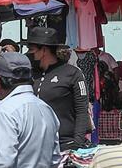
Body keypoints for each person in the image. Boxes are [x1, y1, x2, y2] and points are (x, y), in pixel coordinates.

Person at [26, 21, 92, 151]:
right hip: (34, 146)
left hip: (64, 145)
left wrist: (77, 143)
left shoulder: (73, 74)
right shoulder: (29, 74)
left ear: (44, 50)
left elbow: (82, 110)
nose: (29, 53)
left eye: (32, 50)